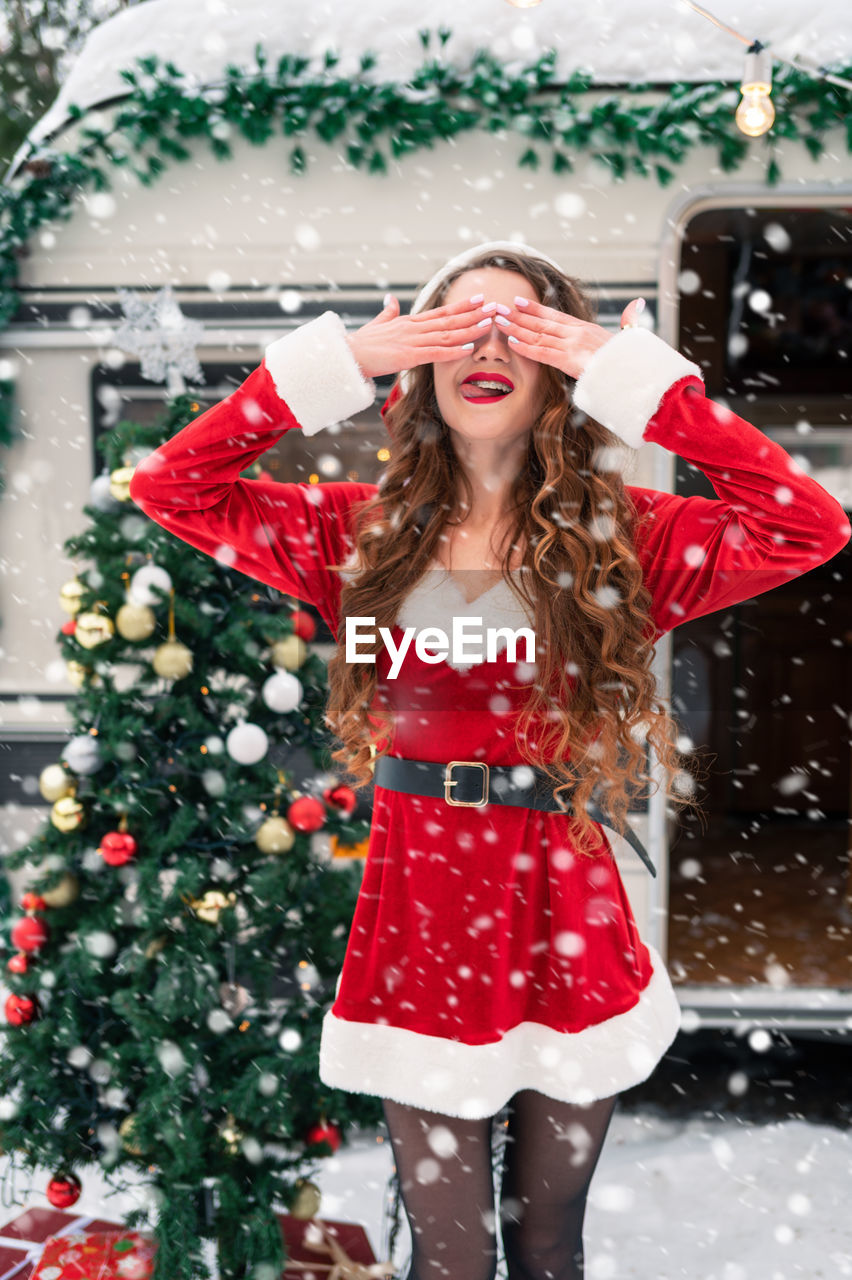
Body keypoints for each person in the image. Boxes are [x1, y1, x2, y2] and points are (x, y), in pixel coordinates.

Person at [129, 240, 850, 1280]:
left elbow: (809, 524)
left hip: (566, 912)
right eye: (459, 325)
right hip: (422, 916)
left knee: (551, 1239)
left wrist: (642, 385)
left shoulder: (623, 538)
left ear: (562, 369)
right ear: (420, 363)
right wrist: (342, 360)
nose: (488, 345)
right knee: (451, 1254)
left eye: (520, 326)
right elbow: (173, 485)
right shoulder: (355, 533)